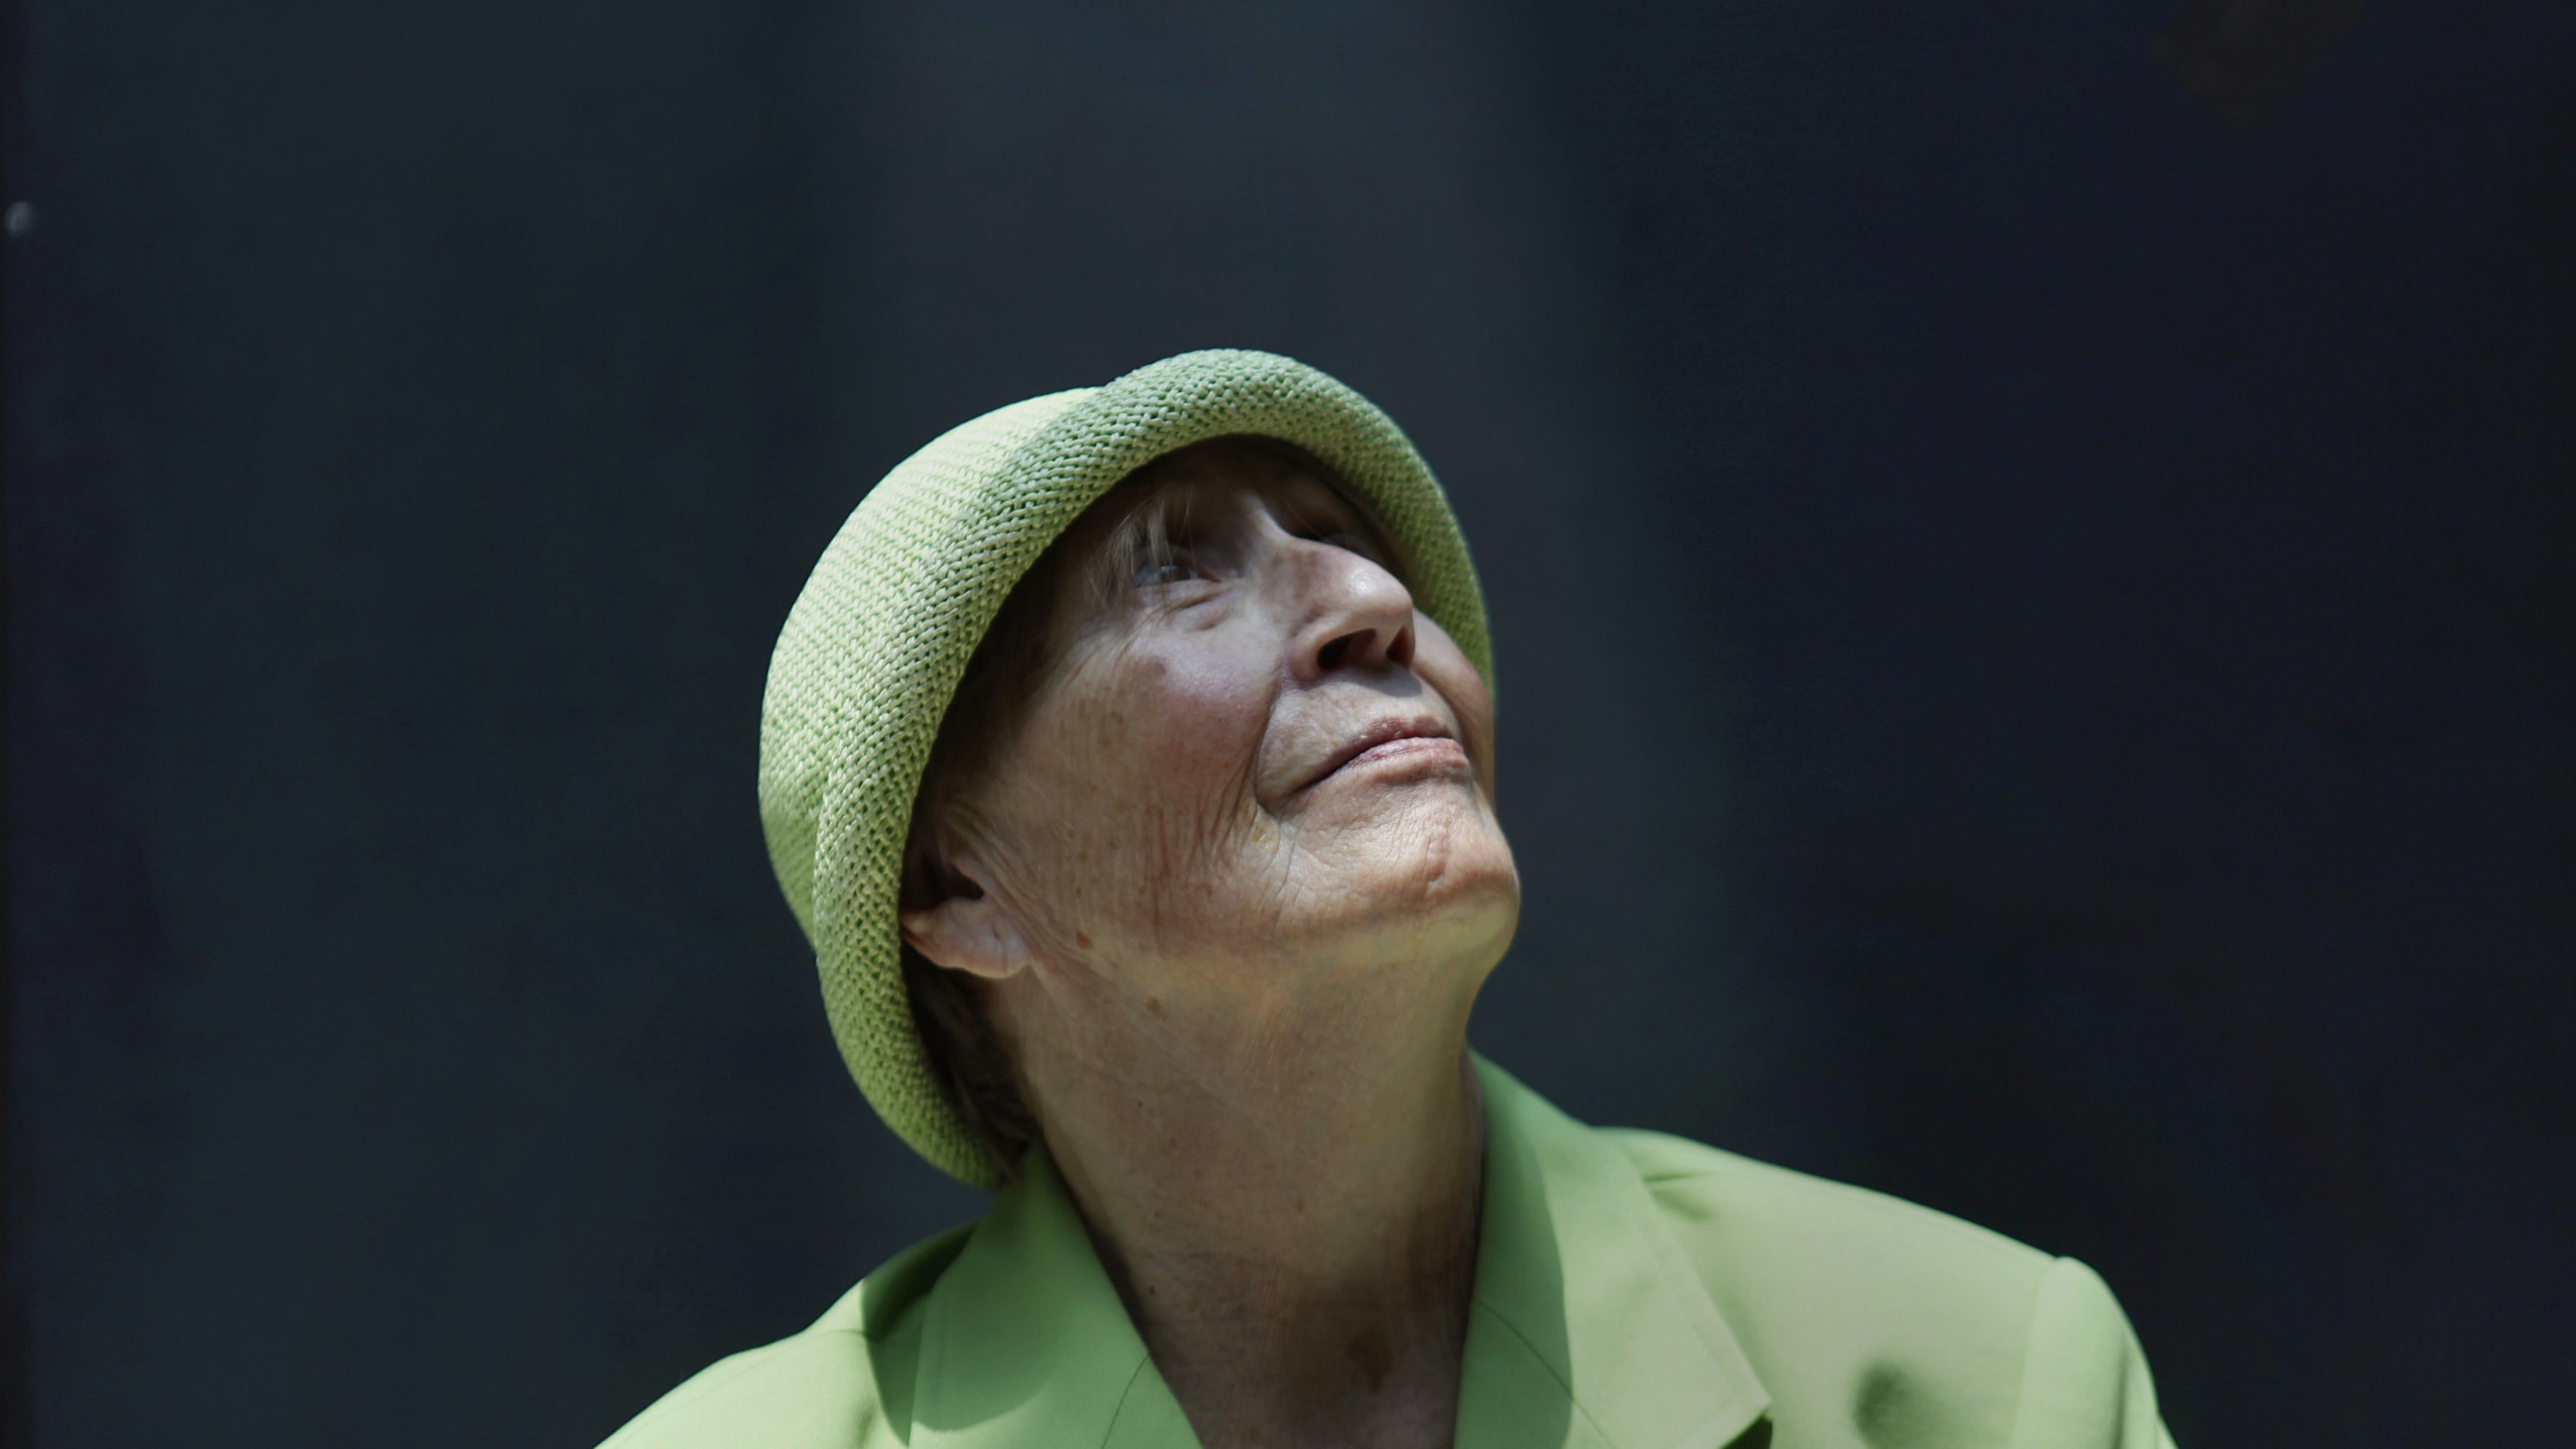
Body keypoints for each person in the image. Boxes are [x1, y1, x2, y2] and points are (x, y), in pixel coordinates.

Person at [598, 350, 2178, 1449]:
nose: (1372, 602)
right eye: (1174, 570)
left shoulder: (1990, 1384)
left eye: (1349, 546)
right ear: (958, 883)